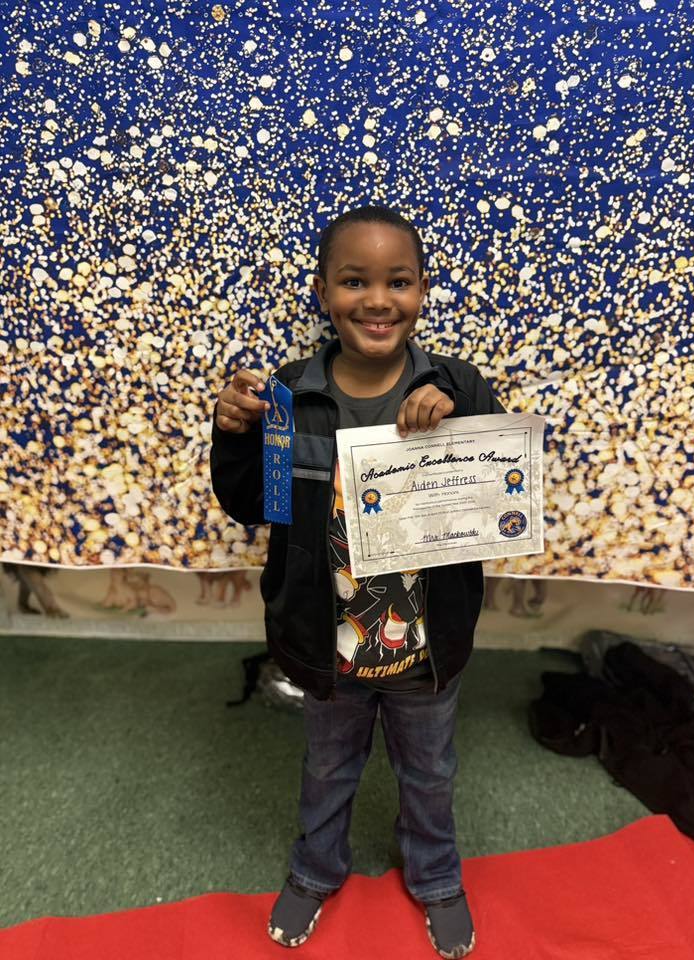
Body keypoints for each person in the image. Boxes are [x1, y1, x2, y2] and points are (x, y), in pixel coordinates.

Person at [210, 204, 505, 958]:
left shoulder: (460, 387)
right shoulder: (288, 392)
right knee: (329, 767)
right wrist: (233, 434)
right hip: (326, 648)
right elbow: (251, 504)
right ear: (322, 293)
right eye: (354, 281)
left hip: (424, 650)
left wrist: (461, 424)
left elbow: (505, 497)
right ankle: (316, 869)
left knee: (430, 771)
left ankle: (436, 875)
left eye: (397, 281)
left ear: (423, 292)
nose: (377, 300)